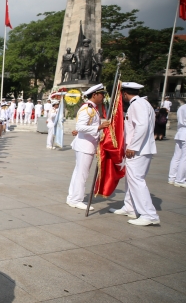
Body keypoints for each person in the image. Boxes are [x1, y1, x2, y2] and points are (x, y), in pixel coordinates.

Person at [109, 82, 160, 225]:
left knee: (137, 180)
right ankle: (130, 207)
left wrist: (133, 146)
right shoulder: (143, 104)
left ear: (125, 93)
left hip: (138, 150)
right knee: (131, 179)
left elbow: (142, 126)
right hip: (141, 149)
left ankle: (149, 215)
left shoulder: (137, 105)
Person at [66, 84, 110, 210]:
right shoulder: (88, 109)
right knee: (82, 174)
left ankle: (72, 197)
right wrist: (99, 127)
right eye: (101, 94)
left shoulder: (92, 108)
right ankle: (76, 199)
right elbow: (80, 127)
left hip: (85, 144)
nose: (102, 97)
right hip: (85, 146)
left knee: (78, 172)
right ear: (94, 94)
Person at [169, 104, 186, 188]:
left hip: (180, 132)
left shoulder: (181, 107)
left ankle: (172, 177)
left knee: (176, 157)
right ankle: (180, 180)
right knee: (184, 158)